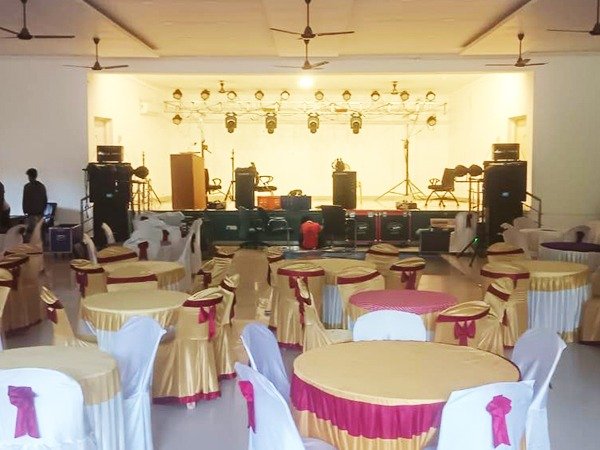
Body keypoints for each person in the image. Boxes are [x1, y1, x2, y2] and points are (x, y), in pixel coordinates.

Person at [22, 168, 47, 236]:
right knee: (40, 232)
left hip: (31, 214)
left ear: (29, 176)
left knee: (31, 232)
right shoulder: (41, 186)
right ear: (36, 175)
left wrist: (25, 211)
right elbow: (45, 200)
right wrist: (43, 210)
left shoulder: (27, 187)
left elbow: (25, 200)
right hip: (40, 213)